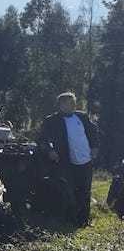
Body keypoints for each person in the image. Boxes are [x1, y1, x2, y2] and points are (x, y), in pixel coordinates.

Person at [38, 92, 99, 226]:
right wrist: (50, 151)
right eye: (69, 102)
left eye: (74, 102)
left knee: (85, 190)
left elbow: (93, 132)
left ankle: (83, 220)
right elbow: (41, 139)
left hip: (86, 160)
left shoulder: (82, 117)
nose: (73, 105)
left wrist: (94, 147)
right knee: (69, 191)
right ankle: (69, 220)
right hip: (65, 161)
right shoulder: (51, 120)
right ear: (61, 105)